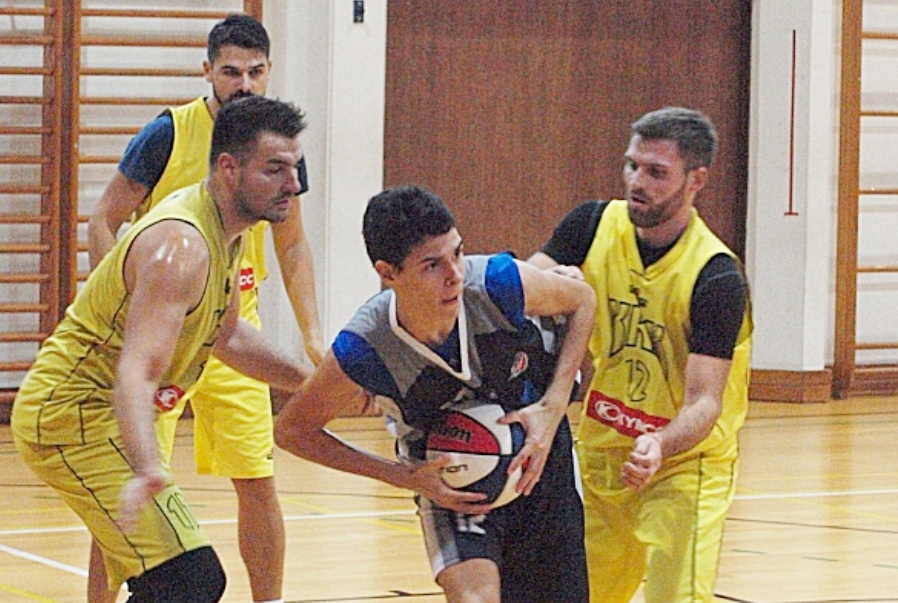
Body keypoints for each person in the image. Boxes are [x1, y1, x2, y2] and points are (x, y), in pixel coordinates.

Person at [12, 96, 311, 602]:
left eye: (295, 168)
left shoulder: (229, 230)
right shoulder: (182, 247)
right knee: (189, 578)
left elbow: (229, 336)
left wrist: (313, 383)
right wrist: (148, 465)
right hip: (71, 418)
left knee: (182, 579)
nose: (294, 185)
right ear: (229, 167)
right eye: (275, 169)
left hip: (99, 413)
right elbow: (136, 372)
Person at [87, 13, 321, 603]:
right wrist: (120, 309)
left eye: (256, 72)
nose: (244, 84)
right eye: (231, 72)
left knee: (257, 477)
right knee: (133, 480)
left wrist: (313, 336)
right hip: (167, 326)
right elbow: (104, 219)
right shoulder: (167, 134)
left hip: (235, 323)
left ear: (270, 72)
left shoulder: (277, 148)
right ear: (208, 72)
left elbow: (293, 246)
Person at [274, 185, 595, 603]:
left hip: (540, 458)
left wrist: (554, 405)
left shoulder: (497, 282)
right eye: (432, 265)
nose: (455, 274)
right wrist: (401, 475)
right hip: (451, 476)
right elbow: (292, 431)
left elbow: (583, 300)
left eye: (457, 253)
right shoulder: (367, 347)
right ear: (388, 273)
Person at [528, 106, 753, 603]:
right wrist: (551, 285)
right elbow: (519, 290)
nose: (637, 182)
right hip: (603, 452)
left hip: (683, 464)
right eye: (632, 165)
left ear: (696, 180)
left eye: (656, 172)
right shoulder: (590, 224)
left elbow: (705, 401)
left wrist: (660, 444)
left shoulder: (716, 276)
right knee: (580, 594)